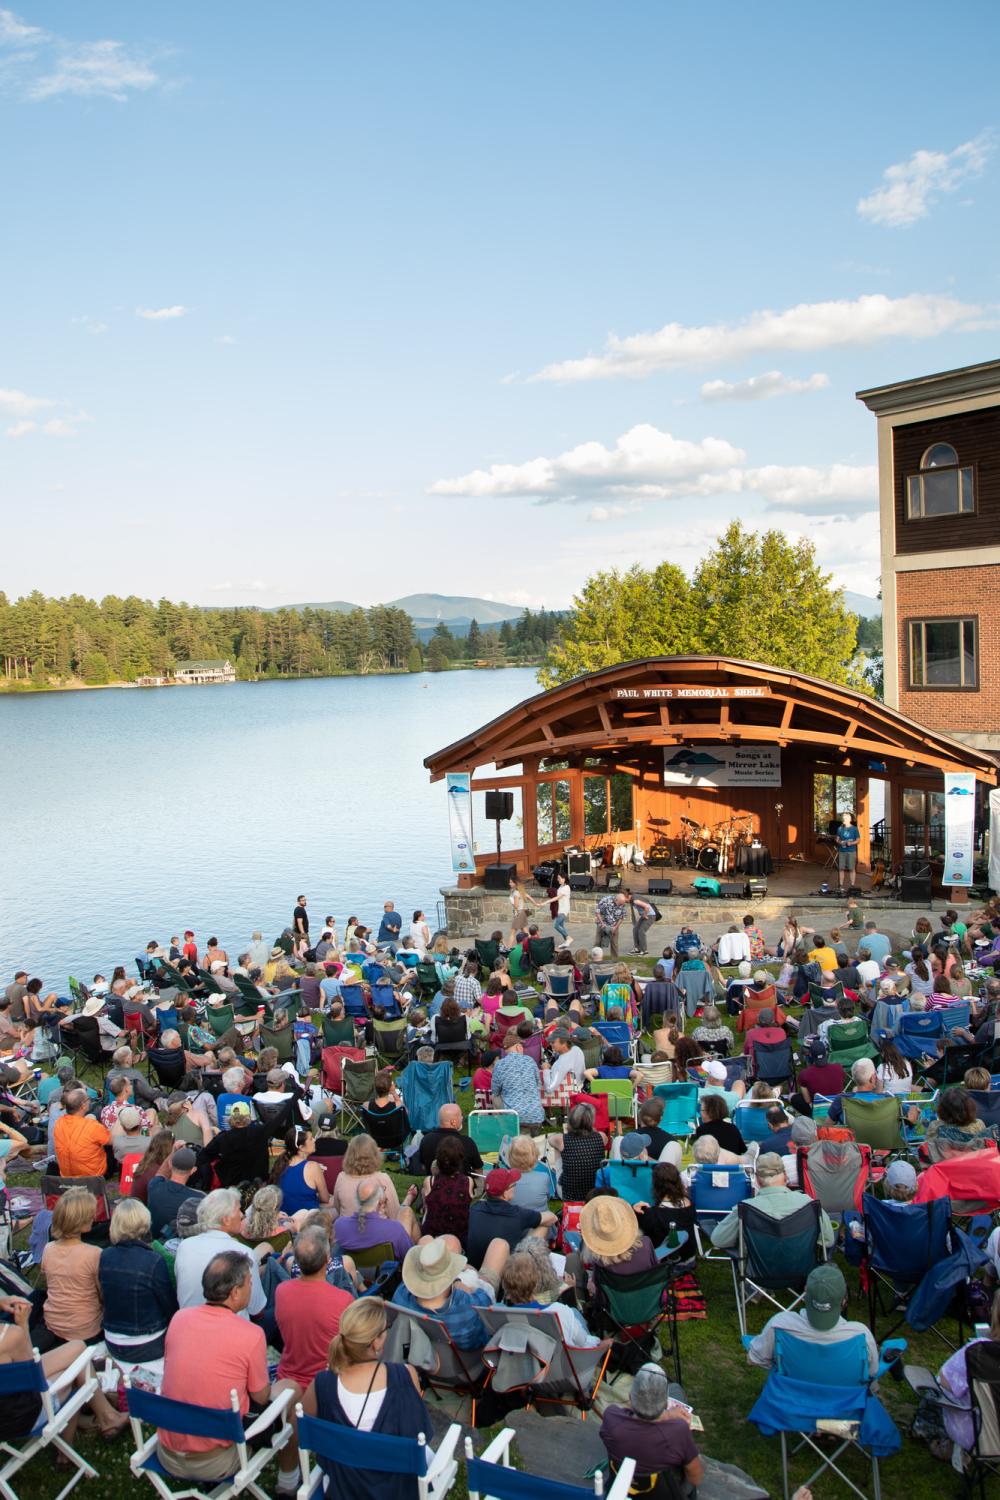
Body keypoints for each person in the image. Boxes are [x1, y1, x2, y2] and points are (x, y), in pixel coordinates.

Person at [158, 1250, 298, 1491]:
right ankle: (288, 1482)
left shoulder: (180, 1319)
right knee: (292, 1388)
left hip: (167, 1451)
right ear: (235, 1293)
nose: (252, 1287)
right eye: (250, 1283)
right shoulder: (251, 1334)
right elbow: (261, 1397)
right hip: (217, 1459)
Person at [300, 1295, 431, 1497]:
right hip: (398, 1490)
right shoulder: (404, 1375)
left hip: (341, 1489)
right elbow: (418, 1429)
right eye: (386, 1329)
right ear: (376, 1341)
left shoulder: (323, 1383)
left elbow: (303, 1423)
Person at [747, 1263, 879, 1373]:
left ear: (805, 1293)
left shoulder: (780, 1325)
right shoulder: (861, 1335)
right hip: (844, 1403)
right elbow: (871, 1375)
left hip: (789, 1400)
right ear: (844, 1301)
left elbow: (754, 1359)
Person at [601, 1361, 704, 1497]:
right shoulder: (678, 1431)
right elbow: (696, 1477)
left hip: (622, 1490)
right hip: (667, 1494)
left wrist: (666, 1415)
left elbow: (626, 1413)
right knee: (676, 1389)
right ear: (666, 1403)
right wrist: (668, 1415)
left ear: (631, 1397)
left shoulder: (611, 1418)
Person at [275, 1224, 354, 1393]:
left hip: (287, 1382)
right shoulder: (343, 1300)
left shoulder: (282, 1291)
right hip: (326, 1388)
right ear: (327, 1259)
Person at [99, 1198, 179, 1363]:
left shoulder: (105, 1255)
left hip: (112, 1340)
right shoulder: (154, 1260)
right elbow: (168, 1304)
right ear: (144, 1223)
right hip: (147, 1343)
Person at [393, 1235, 508, 1348]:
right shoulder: (467, 1307)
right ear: (452, 1274)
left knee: (426, 1238)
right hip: (469, 1361)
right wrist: (465, 1280)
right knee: (499, 1245)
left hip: (419, 1355)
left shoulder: (401, 1296)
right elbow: (485, 1297)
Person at [710, 1153, 835, 1250]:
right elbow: (828, 1240)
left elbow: (719, 1240)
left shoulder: (746, 1209)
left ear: (758, 1181)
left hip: (759, 1274)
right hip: (803, 1272)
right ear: (786, 1177)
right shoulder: (809, 1204)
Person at [174, 1189, 267, 1320]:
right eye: (239, 1210)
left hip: (189, 1324)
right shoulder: (243, 1253)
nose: (242, 1215)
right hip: (232, 1332)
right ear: (226, 1220)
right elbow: (257, 1310)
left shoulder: (184, 1247)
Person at [38, 1187, 104, 1350]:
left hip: (53, 1324)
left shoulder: (48, 1249)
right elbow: (102, 1294)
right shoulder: (94, 1254)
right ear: (81, 1221)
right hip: (87, 1329)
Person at [501, 1251, 600, 1347]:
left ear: (505, 1287)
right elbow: (583, 1342)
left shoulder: (498, 1314)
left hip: (519, 1361)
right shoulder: (560, 1312)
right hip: (561, 1362)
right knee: (575, 1313)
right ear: (536, 1283)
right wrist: (602, 1342)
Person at [467, 1167, 555, 1264]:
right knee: (543, 1226)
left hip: (474, 1267)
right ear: (505, 1193)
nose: (515, 1188)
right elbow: (551, 1218)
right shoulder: (517, 1214)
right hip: (506, 1271)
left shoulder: (474, 1208)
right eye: (514, 1185)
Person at [334, 1175, 418, 1259]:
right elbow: (409, 1258)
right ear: (380, 1203)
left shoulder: (339, 1226)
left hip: (352, 1271)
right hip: (387, 1271)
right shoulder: (394, 1230)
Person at [332, 1134, 407, 1219]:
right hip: (377, 1229)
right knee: (406, 1212)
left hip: (348, 1229)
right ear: (374, 1154)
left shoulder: (342, 1177)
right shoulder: (382, 1179)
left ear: (349, 1154)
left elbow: (338, 1207)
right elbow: (394, 1213)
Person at [202, 1099, 272, 1187]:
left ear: (231, 1118)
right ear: (248, 1117)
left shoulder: (223, 1137)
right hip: (256, 1185)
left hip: (232, 1187)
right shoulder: (259, 1132)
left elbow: (205, 1154)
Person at [421, 1134, 475, 1245]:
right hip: (460, 1238)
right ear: (460, 1159)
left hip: (434, 1237)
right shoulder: (468, 1181)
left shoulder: (430, 1181)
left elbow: (426, 1206)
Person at [271, 1128, 330, 1217]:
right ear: (301, 1147)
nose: (314, 1140)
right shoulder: (313, 1167)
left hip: (284, 1218)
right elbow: (325, 1198)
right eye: (311, 1139)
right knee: (335, 1204)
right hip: (307, 1222)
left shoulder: (280, 1164)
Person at [53, 1087, 111, 1177]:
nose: (90, 1101)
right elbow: (111, 1141)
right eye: (88, 1099)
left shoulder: (59, 1123)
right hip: (92, 1177)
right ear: (83, 1106)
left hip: (66, 1176)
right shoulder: (92, 1126)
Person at [491, 1031, 544, 1127]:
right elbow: (538, 1084)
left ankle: (503, 1128)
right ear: (517, 1047)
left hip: (513, 1118)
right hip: (536, 1117)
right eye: (521, 1045)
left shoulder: (499, 1064)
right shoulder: (530, 1060)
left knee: (495, 1097)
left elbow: (495, 1091)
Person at [555, 1101, 606, 1201]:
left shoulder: (561, 1139)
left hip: (569, 1194)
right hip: (596, 1193)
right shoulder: (601, 1136)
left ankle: (561, 1182)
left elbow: (550, 1140)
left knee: (558, 1148)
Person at [148, 1147, 204, 1238]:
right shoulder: (198, 1198)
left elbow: (161, 1172)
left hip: (153, 1242)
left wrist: (173, 1149)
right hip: (179, 1245)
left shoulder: (154, 1185)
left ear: (170, 1164)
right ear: (193, 1170)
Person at [417, 1102, 484, 1177]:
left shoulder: (426, 1140)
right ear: (453, 1122)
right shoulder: (467, 1142)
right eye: (461, 1115)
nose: (462, 1118)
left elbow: (423, 1166)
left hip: (434, 1185)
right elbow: (478, 1170)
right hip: (462, 1187)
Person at [541, 1028, 586, 1096]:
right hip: (580, 1085)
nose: (550, 1044)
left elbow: (549, 1088)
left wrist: (546, 1069)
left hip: (567, 1094)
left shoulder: (561, 1064)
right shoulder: (577, 1049)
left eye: (553, 1042)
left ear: (564, 1043)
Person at [594, 892, 629, 958]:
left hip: (614, 925)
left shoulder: (622, 903)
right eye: (620, 903)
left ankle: (615, 961)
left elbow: (622, 917)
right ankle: (595, 958)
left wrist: (615, 927)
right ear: (616, 900)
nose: (621, 905)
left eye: (622, 903)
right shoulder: (605, 900)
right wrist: (602, 924)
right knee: (598, 942)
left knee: (614, 944)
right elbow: (597, 912)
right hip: (602, 924)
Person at [835, 811, 860, 892]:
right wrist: (839, 842)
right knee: (841, 869)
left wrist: (851, 843)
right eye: (843, 818)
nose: (843, 820)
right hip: (842, 851)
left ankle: (852, 885)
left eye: (845, 818)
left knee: (851, 868)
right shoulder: (840, 828)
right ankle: (840, 885)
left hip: (851, 851)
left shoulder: (854, 829)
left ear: (849, 819)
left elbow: (858, 840)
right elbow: (837, 839)